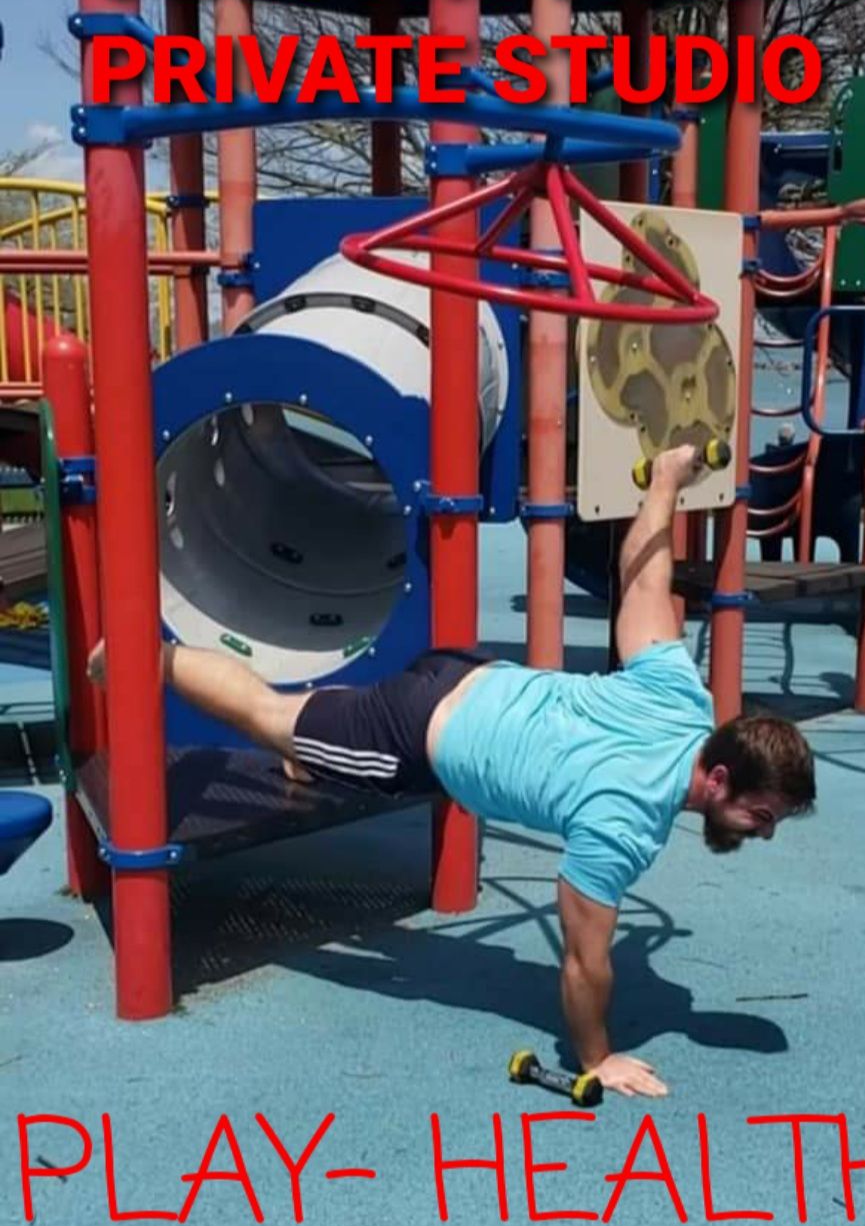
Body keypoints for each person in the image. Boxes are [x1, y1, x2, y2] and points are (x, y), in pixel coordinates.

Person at [88, 444, 815, 1097]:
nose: (764, 833)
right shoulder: (624, 819)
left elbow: (644, 581)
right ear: (718, 781)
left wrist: (663, 481)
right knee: (268, 715)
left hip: (468, 671)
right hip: (415, 733)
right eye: (762, 817)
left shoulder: (685, 699)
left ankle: (307, 733)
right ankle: (141, 658)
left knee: (324, 720)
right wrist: (598, 1059)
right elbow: (585, 966)